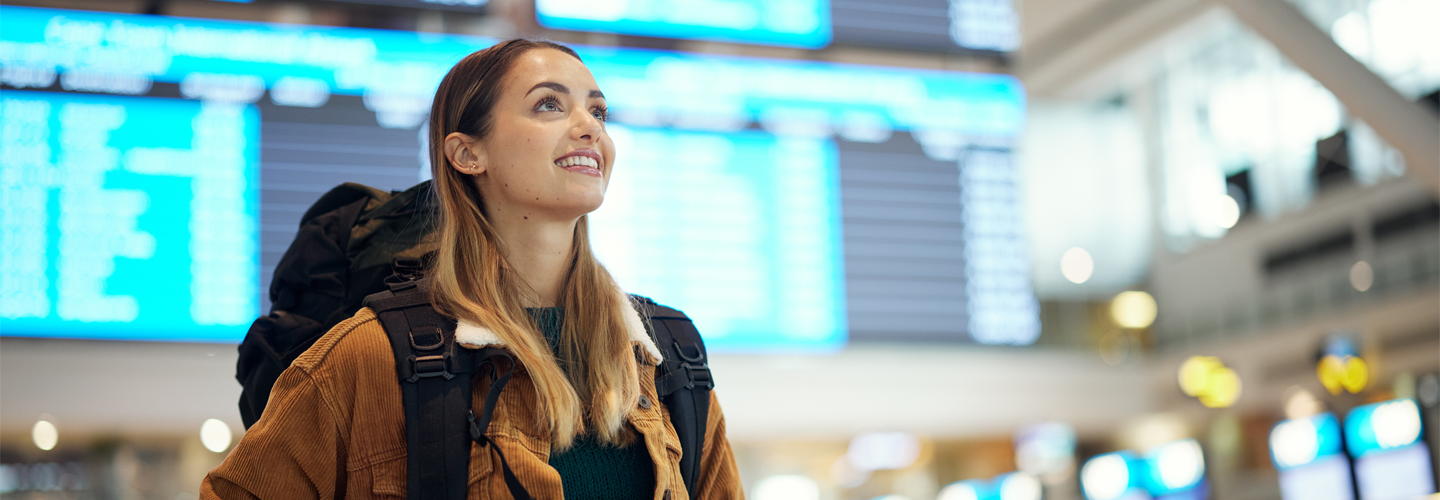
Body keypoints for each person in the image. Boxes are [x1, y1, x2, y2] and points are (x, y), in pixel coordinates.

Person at [200, 39, 743, 500]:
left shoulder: (668, 354)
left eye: (597, 112)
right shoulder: (372, 354)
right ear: (466, 154)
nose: (589, 129)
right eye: (549, 106)